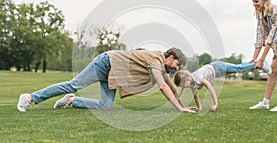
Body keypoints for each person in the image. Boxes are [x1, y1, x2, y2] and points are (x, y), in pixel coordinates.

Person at [17, 47, 195, 113]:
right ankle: (30, 98)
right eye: (177, 64)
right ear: (170, 57)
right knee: (74, 84)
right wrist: (179, 108)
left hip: (114, 74)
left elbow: (170, 85)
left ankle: (72, 100)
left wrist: (183, 105)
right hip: (106, 63)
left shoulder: (162, 67)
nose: (176, 69)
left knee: (106, 106)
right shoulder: (156, 61)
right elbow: (163, 86)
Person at [173, 60, 271, 112]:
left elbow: (210, 88)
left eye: (183, 85)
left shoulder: (197, 77)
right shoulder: (191, 83)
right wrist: (200, 108)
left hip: (217, 67)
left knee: (238, 69)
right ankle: (253, 63)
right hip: (217, 72)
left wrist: (215, 104)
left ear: (186, 79)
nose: (184, 88)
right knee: (238, 68)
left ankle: (260, 63)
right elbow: (196, 96)